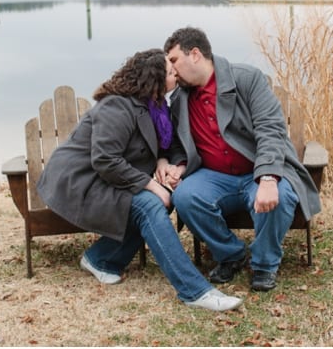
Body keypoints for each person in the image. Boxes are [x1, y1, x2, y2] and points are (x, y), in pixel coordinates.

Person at [36, 49, 242, 311]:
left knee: (161, 202)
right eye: (170, 72)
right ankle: (194, 291)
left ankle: (101, 258)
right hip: (82, 181)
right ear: (154, 80)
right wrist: (152, 184)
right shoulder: (117, 106)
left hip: (108, 177)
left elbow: (162, 146)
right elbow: (105, 160)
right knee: (151, 203)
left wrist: (163, 163)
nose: (176, 74)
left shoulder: (155, 106)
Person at [163, 27, 322, 292]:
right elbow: (179, 144)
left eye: (173, 60)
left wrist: (269, 177)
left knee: (279, 196)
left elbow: (270, 129)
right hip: (214, 177)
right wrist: (179, 165)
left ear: (194, 54)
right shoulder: (180, 98)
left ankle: (264, 264)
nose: (171, 69)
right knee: (185, 197)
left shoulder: (246, 79)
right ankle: (230, 254)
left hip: (256, 170)